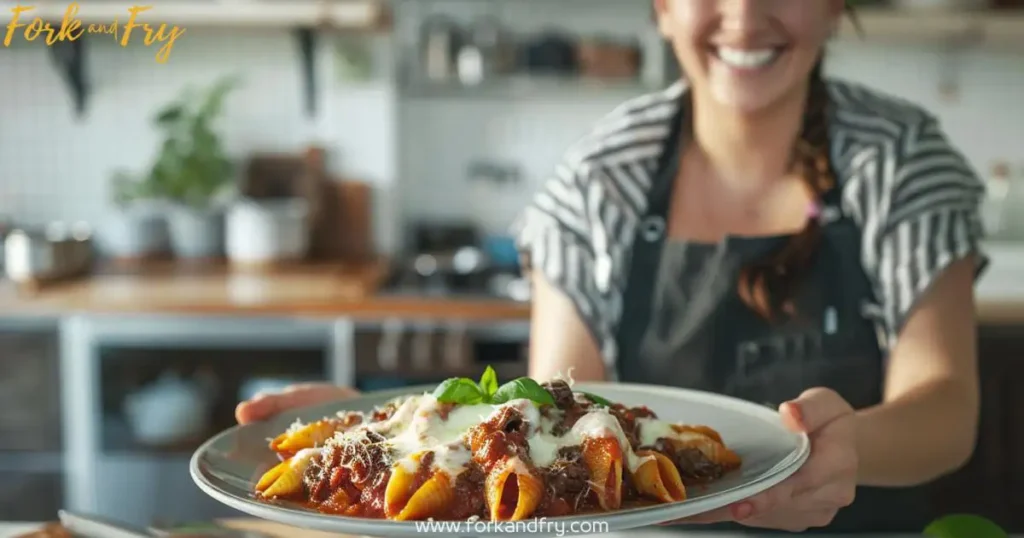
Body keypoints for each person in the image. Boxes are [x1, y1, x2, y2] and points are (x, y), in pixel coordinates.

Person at [236, 0, 986, 533]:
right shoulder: (599, 175)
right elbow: (550, 413)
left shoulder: (900, 159)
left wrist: (849, 449)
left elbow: (946, 407)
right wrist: (396, 434)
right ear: (661, 8)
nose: (745, 14)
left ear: (835, 6)